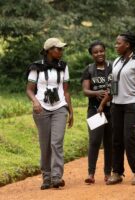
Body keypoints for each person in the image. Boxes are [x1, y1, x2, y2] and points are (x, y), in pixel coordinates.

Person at [26, 38, 73, 190]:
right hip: (42, 108)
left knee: (56, 142)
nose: (61, 51)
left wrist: (70, 111)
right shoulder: (36, 67)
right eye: (58, 49)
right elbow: (29, 89)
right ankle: (46, 178)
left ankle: (56, 177)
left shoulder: (63, 67)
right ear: (49, 50)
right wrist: (35, 102)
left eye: (61, 49)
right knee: (45, 144)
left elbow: (66, 91)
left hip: (60, 107)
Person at [106, 31, 135, 186]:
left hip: (132, 104)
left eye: (118, 43)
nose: (116, 46)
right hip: (116, 104)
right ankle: (116, 172)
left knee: (129, 138)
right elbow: (113, 84)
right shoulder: (116, 61)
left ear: (128, 45)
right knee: (116, 139)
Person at [81, 41, 113, 184]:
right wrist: (97, 92)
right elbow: (85, 91)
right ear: (92, 54)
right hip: (95, 111)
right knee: (94, 141)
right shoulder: (89, 69)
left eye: (101, 51)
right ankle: (91, 173)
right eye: (96, 52)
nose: (99, 54)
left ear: (105, 51)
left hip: (112, 110)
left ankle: (108, 173)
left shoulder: (113, 67)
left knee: (109, 142)